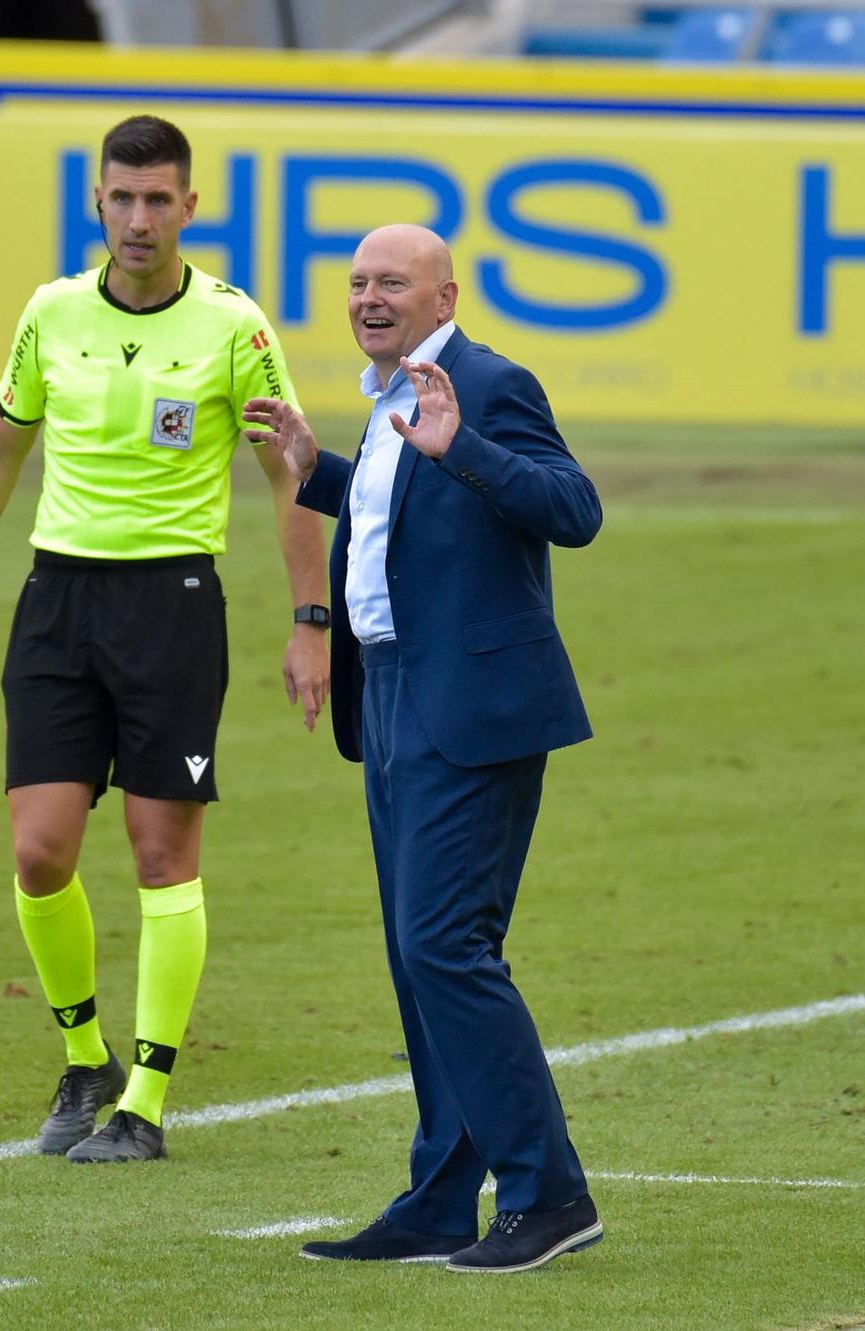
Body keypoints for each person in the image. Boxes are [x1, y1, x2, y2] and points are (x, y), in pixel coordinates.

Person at [0, 115, 330, 1165]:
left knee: (157, 851)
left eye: (157, 199)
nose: (137, 218)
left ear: (189, 206)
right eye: (119, 198)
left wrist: (310, 620)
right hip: (56, 602)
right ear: (96, 203)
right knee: (38, 849)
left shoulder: (234, 325)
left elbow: (291, 477)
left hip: (172, 609)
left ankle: (147, 1095)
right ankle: (84, 1056)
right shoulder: (50, 313)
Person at [242, 224, 604, 1270]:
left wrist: (469, 449)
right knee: (419, 957)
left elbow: (573, 510)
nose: (367, 295)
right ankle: (442, 1195)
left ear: (443, 298)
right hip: (394, 694)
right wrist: (318, 473)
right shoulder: (392, 393)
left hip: (470, 704)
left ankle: (549, 1194)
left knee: (446, 944)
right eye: (356, 281)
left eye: (390, 281)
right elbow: (405, 513)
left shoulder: (484, 385)